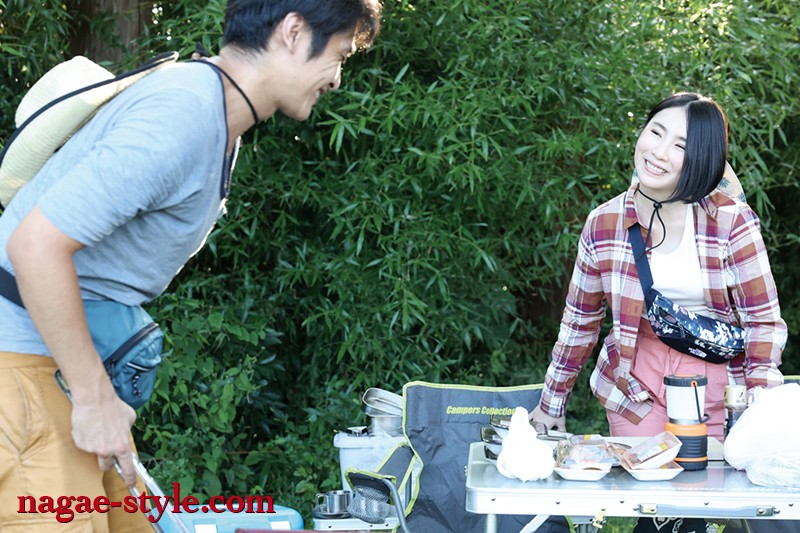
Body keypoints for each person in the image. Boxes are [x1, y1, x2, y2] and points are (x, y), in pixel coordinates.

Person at [0, 1, 381, 531]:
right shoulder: (183, 115)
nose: (337, 79)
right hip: (22, 375)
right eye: (339, 55)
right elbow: (35, 245)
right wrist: (93, 400)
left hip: (62, 370)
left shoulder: (216, 115)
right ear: (293, 32)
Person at [530, 92, 788, 533]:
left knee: (708, 505)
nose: (659, 152)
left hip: (717, 379)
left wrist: (760, 406)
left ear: (701, 159)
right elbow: (580, 321)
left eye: (680, 145)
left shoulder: (732, 221)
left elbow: (762, 321)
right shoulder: (604, 222)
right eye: (656, 132)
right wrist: (552, 402)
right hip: (636, 380)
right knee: (657, 507)